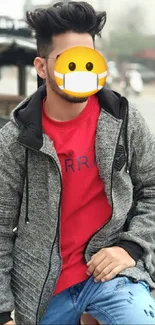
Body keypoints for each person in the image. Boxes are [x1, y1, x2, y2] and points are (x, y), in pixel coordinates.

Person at [1, 2, 155, 325]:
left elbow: (152, 187)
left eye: (89, 62)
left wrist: (131, 246)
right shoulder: (15, 141)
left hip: (112, 277)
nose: (82, 72)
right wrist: (4, 314)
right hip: (42, 295)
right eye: (70, 62)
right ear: (42, 68)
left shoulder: (123, 120)